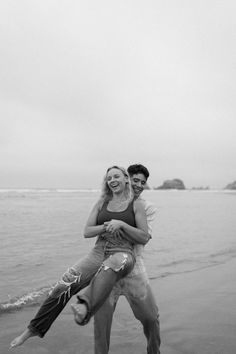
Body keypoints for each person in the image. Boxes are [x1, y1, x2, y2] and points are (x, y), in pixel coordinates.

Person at [10, 165, 150, 348]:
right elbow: (87, 231)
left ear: (125, 179)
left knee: (112, 265)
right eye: (109, 178)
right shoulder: (102, 202)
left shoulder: (136, 204)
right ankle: (33, 330)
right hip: (99, 250)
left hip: (123, 252)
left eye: (116, 176)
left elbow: (144, 237)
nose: (112, 180)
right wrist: (107, 226)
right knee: (64, 284)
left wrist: (122, 224)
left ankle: (84, 305)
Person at [75, 164, 161, 353]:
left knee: (151, 318)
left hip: (134, 267)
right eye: (134, 180)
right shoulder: (106, 203)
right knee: (101, 325)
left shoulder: (146, 208)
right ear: (125, 180)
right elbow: (93, 232)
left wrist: (121, 225)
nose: (138, 185)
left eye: (142, 182)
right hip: (107, 267)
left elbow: (142, 238)